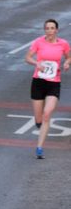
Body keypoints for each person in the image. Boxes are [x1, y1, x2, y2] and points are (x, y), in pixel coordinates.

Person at [24, 18, 71, 159]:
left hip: (53, 83)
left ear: (56, 30)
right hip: (38, 82)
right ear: (44, 30)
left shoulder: (63, 44)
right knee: (39, 118)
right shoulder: (38, 42)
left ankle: (39, 148)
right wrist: (36, 63)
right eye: (47, 28)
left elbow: (69, 57)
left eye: (52, 28)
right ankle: (38, 122)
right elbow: (27, 58)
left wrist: (67, 63)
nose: (49, 31)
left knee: (47, 114)